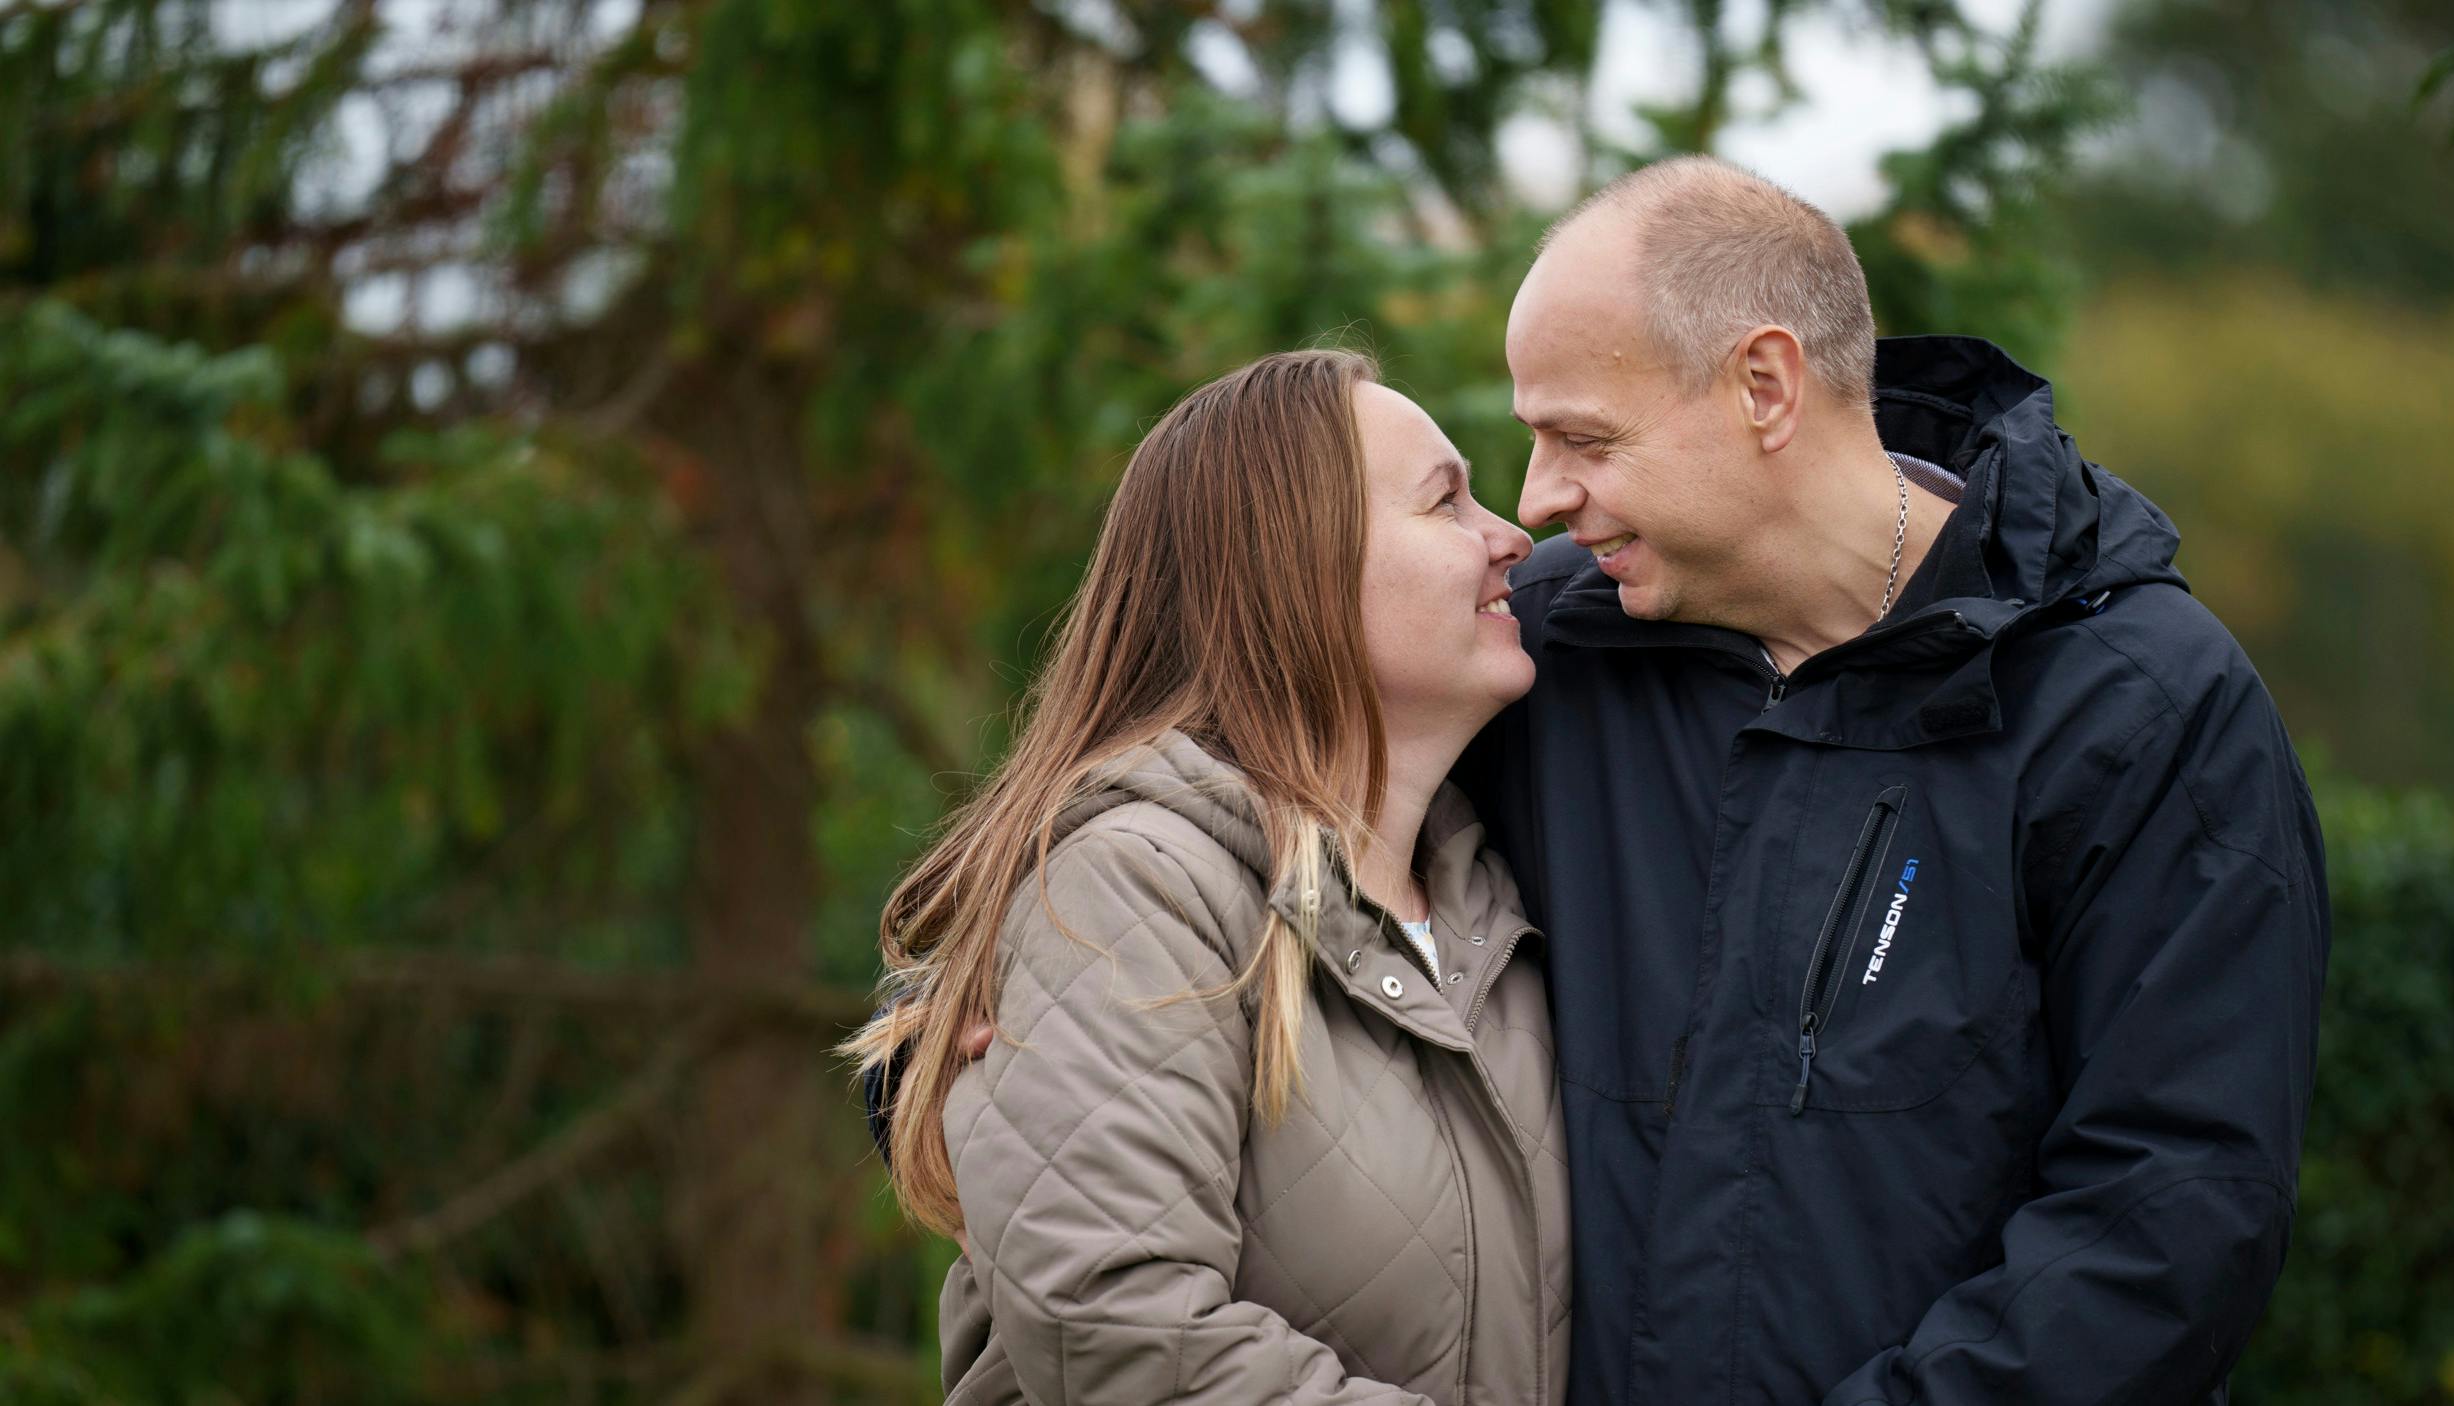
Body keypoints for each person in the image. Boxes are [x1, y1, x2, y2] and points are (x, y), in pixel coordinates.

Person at [1459, 155, 2329, 1405]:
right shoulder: (1537, 651)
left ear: (1764, 385)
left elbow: (2169, 1216)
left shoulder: (2138, 706)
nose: (1536, 496)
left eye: (1582, 437)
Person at [844, 349, 1572, 1405]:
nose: (1511, 537)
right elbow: (1117, 1323)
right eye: (1445, 501)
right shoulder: (1133, 886)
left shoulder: (1497, 916)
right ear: (1298, 567)